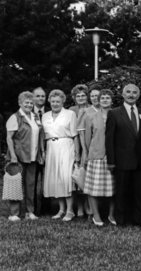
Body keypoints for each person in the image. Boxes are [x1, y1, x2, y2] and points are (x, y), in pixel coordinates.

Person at [105, 83, 141, 226]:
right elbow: (109, 139)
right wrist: (111, 161)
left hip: (140, 160)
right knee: (122, 191)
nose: (131, 94)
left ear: (138, 95)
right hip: (122, 160)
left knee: (139, 193)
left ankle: (138, 220)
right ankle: (122, 220)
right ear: (123, 95)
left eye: (135, 92)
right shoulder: (114, 113)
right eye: (128, 92)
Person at [42, 89, 80, 222]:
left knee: (66, 179)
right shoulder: (45, 116)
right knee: (55, 178)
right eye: (53, 101)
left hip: (66, 146)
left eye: (58, 101)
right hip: (51, 148)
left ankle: (70, 211)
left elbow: (75, 135)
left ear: (63, 101)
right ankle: (61, 209)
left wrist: (77, 153)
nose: (55, 103)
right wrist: (43, 151)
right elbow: (43, 135)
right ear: (49, 101)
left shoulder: (70, 114)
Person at [5, 91, 44, 221]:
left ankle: (29, 212)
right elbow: (9, 138)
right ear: (20, 103)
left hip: (32, 157)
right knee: (16, 185)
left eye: (31, 103)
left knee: (30, 185)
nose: (29, 104)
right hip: (18, 157)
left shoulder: (35, 117)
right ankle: (14, 214)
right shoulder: (15, 117)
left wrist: (40, 153)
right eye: (26, 102)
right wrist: (13, 156)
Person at [83, 89, 116, 226]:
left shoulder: (116, 115)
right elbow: (87, 139)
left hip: (113, 156)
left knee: (114, 188)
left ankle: (112, 215)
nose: (105, 100)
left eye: (108, 98)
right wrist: (86, 155)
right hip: (96, 155)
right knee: (93, 188)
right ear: (98, 100)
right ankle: (96, 215)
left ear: (112, 101)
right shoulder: (91, 117)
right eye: (102, 98)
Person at [69, 84, 90, 217]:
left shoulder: (92, 108)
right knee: (76, 178)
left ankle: (88, 206)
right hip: (74, 146)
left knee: (87, 177)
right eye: (78, 96)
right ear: (74, 97)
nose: (81, 98)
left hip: (88, 145)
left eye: (83, 95)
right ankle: (80, 207)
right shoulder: (71, 110)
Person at [32, 86, 50, 215]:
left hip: (49, 151)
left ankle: (45, 208)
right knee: (32, 181)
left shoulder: (50, 112)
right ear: (32, 98)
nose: (40, 98)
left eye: (42, 96)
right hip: (32, 152)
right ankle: (31, 208)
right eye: (37, 96)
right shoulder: (27, 112)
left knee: (46, 180)